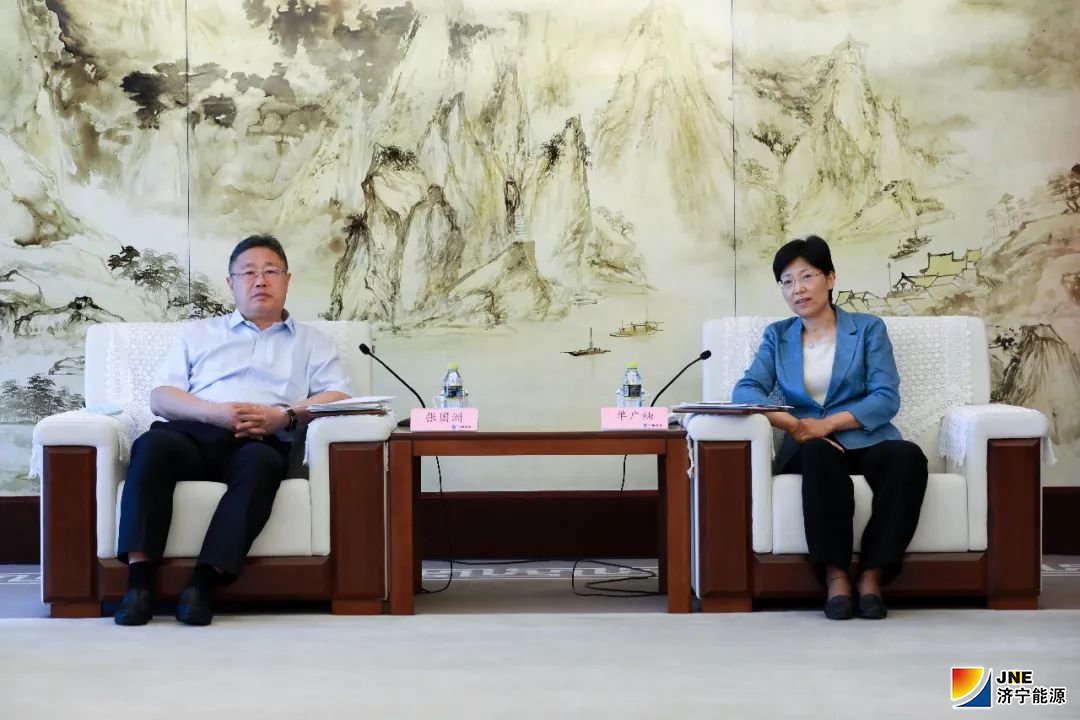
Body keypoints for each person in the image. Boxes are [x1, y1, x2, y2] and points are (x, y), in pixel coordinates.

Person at [113, 235, 352, 626]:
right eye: (249, 272)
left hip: (262, 439)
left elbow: (338, 395)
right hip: (194, 435)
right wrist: (213, 413)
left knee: (262, 465)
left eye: (271, 271)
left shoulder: (314, 342)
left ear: (287, 280)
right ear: (231, 283)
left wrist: (284, 415)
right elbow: (162, 397)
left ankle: (202, 584)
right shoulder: (198, 334)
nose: (260, 281)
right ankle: (138, 584)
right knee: (152, 445)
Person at [732, 235, 927, 620]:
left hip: (865, 437)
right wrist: (793, 425)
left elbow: (886, 397)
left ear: (831, 278)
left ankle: (872, 574)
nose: (798, 289)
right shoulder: (778, 336)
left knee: (907, 458)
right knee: (819, 455)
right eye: (787, 281)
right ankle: (835, 575)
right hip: (809, 446)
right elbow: (746, 390)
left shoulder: (867, 329)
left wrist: (828, 424)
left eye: (807, 276)